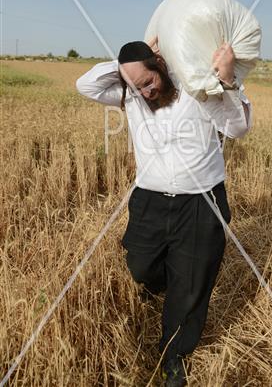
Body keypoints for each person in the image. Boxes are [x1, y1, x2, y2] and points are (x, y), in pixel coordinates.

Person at [76, 38, 251, 386]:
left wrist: (229, 80)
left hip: (201, 203)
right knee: (139, 266)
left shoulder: (197, 85)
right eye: (136, 87)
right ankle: (165, 281)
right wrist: (129, 66)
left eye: (149, 82)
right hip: (150, 201)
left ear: (161, 65)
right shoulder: (131, 94)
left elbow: (238, 127)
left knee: (189, 289)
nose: (145, 92)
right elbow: (86, 84)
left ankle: (175, 357)